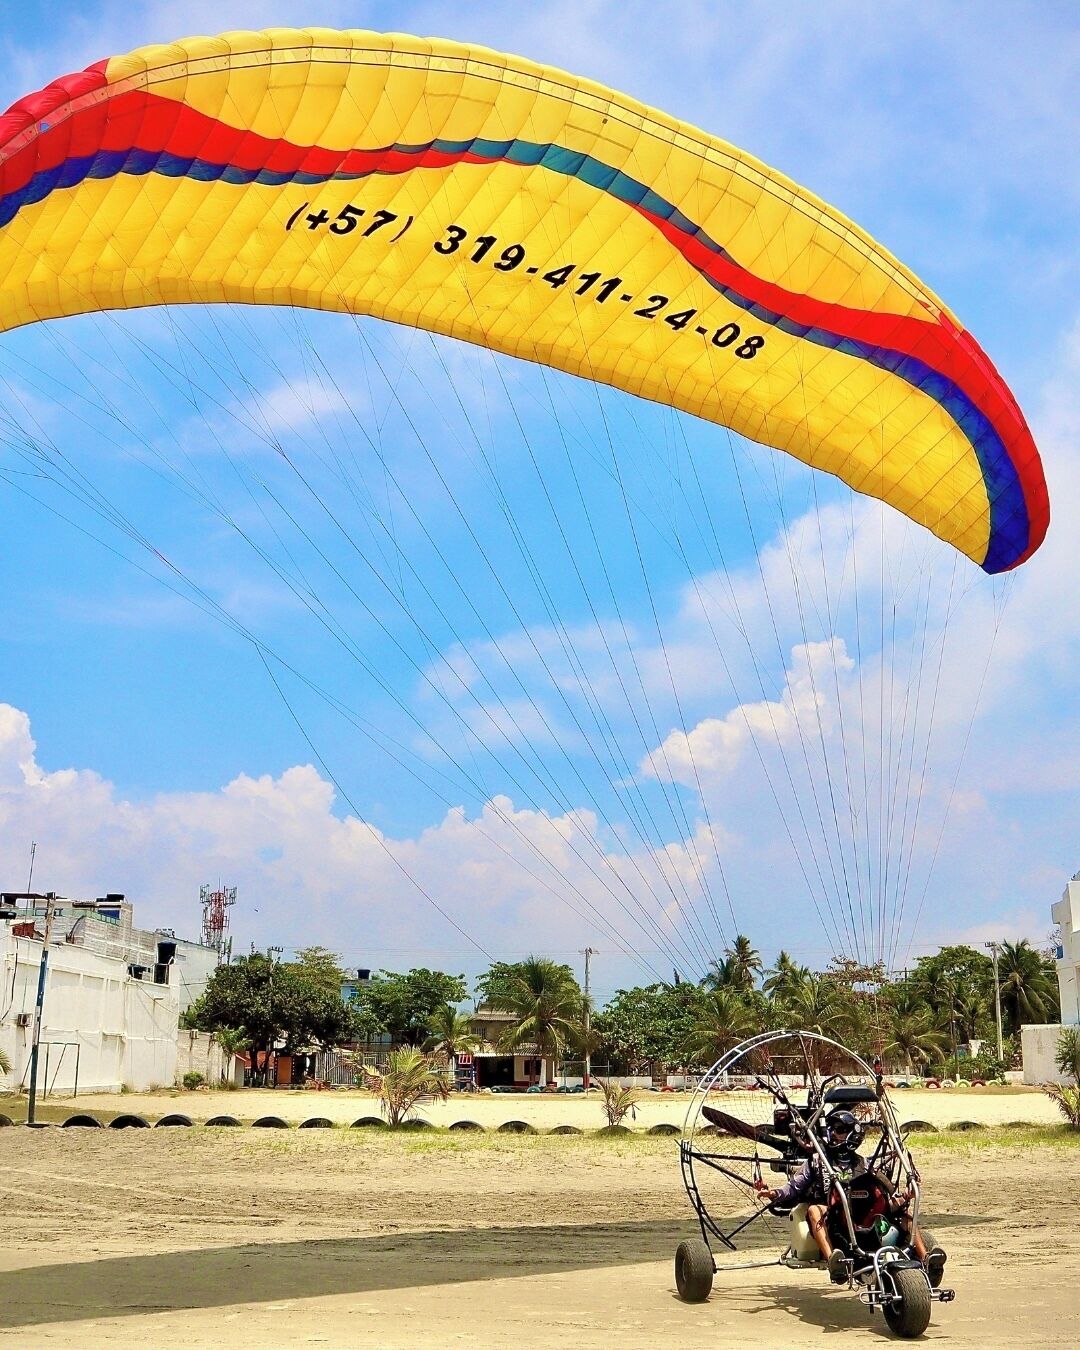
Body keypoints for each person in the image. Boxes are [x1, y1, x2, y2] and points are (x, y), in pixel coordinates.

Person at [753, 1108, 946, 1287]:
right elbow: (792, 1189)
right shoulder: (817, 1162)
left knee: (907, 1217)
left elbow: (885, 1200)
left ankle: (927, 1260)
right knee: (813, 1209)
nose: (833, 1134)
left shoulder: (864, 1164)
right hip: (835, 1221)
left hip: (865, 1221)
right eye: (832, 1129)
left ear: (852, 1133)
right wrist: (773, 1193)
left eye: (840, 1129)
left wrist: (907, 1196)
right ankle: (834, 1263)